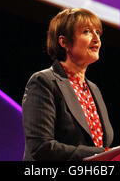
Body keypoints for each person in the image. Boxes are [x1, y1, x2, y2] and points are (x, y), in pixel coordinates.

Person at [22, 8, 114, 161]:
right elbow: (41, 147)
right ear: (64, 42)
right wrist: (101, 153)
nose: (96, 39)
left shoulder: (94, 89)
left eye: (97, 32)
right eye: (86, 31)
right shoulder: (44, 82)